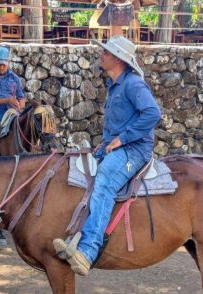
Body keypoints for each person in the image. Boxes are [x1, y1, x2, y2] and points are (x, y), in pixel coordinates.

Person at [53, 36, 161, 276]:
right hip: (116, 147)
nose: (101, 55)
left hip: (134, 150)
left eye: (107, 53)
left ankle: (88, 251)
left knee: (103, 181)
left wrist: (122, 139)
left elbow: (153, 113)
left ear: (119, 60)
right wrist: (106, 143)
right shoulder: (115, 85)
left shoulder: (133, 84)